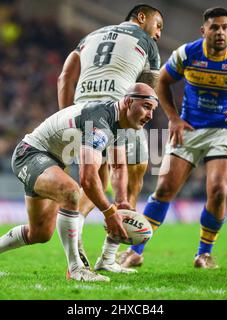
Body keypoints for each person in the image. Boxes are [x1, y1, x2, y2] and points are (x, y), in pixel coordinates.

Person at [118, 7, 227, 269]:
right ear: (203, 31)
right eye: (214, 27)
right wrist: (173, 118)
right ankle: (136, 251)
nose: (220, 32)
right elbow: (162, 82)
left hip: (223, 132)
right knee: (165, 190)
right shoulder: (187, 53)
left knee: (218, 191)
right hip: (189, 128)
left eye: (225, 27)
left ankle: (204, 253)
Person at [0, 83, 159, 282]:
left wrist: (122, 201)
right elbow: (87, 177)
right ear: (128, 101)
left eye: (153, 110)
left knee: (39, 233)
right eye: (146, 106)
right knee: (71, 191)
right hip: (31, 154)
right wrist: (109, 212)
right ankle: (76, 269)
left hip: (52, 162)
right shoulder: (100, 119)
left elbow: (115, 167)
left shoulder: (120, 126)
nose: (150, 115)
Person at [57, 4, 163, 273]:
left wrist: (67, 115)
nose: (159, 33)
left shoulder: (90, 36)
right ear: (141, 18)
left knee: (97, 181)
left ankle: (77, 239)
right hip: (117, 110)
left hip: (81, 110)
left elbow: (65, 77)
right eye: (158, 25)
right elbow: (145, 96)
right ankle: (109, 256)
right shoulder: (148, 42)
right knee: (135, 167)